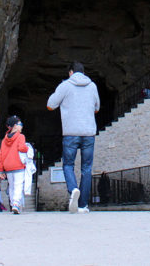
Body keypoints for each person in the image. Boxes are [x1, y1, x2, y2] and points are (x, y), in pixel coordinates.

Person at [46, 61, 100, 214]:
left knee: (68, 164)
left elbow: (50, 105)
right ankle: (82, 205)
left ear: (70, 72)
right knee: (87, 168)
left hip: (71, 132)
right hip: (89, 132)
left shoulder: (66, 85)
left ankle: (73, 189)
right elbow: (97, 108)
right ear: (83, 72)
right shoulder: (92, 86)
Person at [0, 115, 29, 214]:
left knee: (11, 186)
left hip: (8, 167)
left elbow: (1, 155)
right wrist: (28, 148)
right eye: (20, 124)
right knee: (18, 185)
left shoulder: (4, 140)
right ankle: (16, 204)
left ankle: (12, 204)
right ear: (15, 126)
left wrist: (1, 170)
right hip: (18, 165)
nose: (22, 126)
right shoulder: (20, 136)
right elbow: (21, 148)